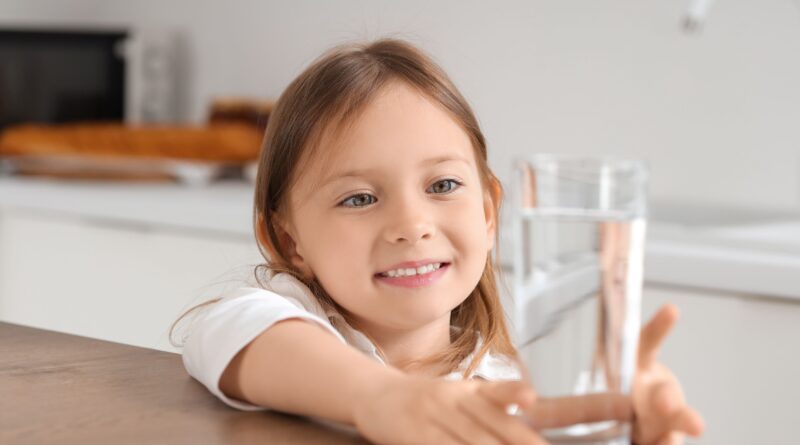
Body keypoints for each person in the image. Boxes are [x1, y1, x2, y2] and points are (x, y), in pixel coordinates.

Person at [172, 38, 704, 445]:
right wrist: (380, 398)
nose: (413, 224)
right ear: (290, 243)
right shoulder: (282, 328)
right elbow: (228, 331)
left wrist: (638, 429)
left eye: (443, 186)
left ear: (489, 212)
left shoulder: (511, 392)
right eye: (358, 198)